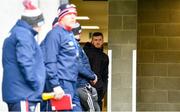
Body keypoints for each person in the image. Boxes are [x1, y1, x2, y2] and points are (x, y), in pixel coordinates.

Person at [2, 0, 46, 111]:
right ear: (34, 22)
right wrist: (36, 84)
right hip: (24, 93)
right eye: (41, 24)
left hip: (19, 92)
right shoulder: (24, 35)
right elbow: (25, 62)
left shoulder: (17, 33)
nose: (41, 28)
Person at [40, 3, 82, 111]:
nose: (73, 17)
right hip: (61, 83)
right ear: (61, 17)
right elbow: (50, 61)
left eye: (75, 14)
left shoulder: (69, 35)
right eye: (69, 14)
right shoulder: (54, 34)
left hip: (72, 82)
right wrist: (55, 85)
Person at [72, 22, 100, 111]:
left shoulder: (76, 45)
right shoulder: (74, 46)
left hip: (81, 84)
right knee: (94, 109)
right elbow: (79, 66)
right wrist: (92, 76)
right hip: (80, 85)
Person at [83, 32, 109, 111]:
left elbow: (105, 75)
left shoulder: (105, 57)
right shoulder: (86, 53)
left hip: (99, 90)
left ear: (103, 41)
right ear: (92, 41)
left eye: (100, 40)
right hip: (86, 88)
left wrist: (104, 88)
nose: (98, 42)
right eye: (96, 40)